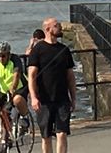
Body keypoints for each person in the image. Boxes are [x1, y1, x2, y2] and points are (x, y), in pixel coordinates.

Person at [28, 17, 76, 153]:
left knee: (62, 134)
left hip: (62, 99)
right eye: (56, 25)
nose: (60, 27)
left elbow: (70, 76)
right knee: (46, 136)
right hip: (44, 99)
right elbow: (31, 75)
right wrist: (33, 97)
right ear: (48, 29)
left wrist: (73, 98)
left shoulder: (64, 50)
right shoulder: (38, 50)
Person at [0, 40, 30, 136]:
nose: (0, 58)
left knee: (17, 99)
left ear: (9, 54)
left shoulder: (15, 59)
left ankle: (24, 117)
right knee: (3, 112)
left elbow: (16, 76)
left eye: (3, 56)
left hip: (20, 88)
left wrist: (12, 89)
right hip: (5, 90)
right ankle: (5, 140)